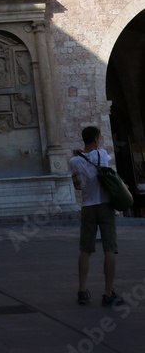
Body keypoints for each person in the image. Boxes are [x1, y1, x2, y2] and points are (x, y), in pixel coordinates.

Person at [69, 126, 124, 307]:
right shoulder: (102, 154)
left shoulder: (74, 161)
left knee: (85, 249)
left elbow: (77, 186)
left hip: (87, 207)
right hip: (106, 206)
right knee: (110, 248)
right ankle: (108, 293)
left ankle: (82, 291)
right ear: (96, 139)